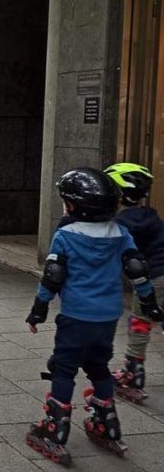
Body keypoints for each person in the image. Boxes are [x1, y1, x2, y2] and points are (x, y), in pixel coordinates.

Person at [24, 167, 158, 465]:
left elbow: (53, 277)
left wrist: (38, 310)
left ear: (73, 205)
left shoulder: (65, 235)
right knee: (98, 365)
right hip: (109, 316)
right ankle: (106, 421)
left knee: (64, 368)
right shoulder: (120, 232)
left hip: (76, 315)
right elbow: (137, 269)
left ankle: (54, 428)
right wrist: (149, 303)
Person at [104, 163, 164, 403]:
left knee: (140, 323)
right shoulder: (151, 216)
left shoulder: (121, 225)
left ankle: (132, 374)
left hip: (153, 279)